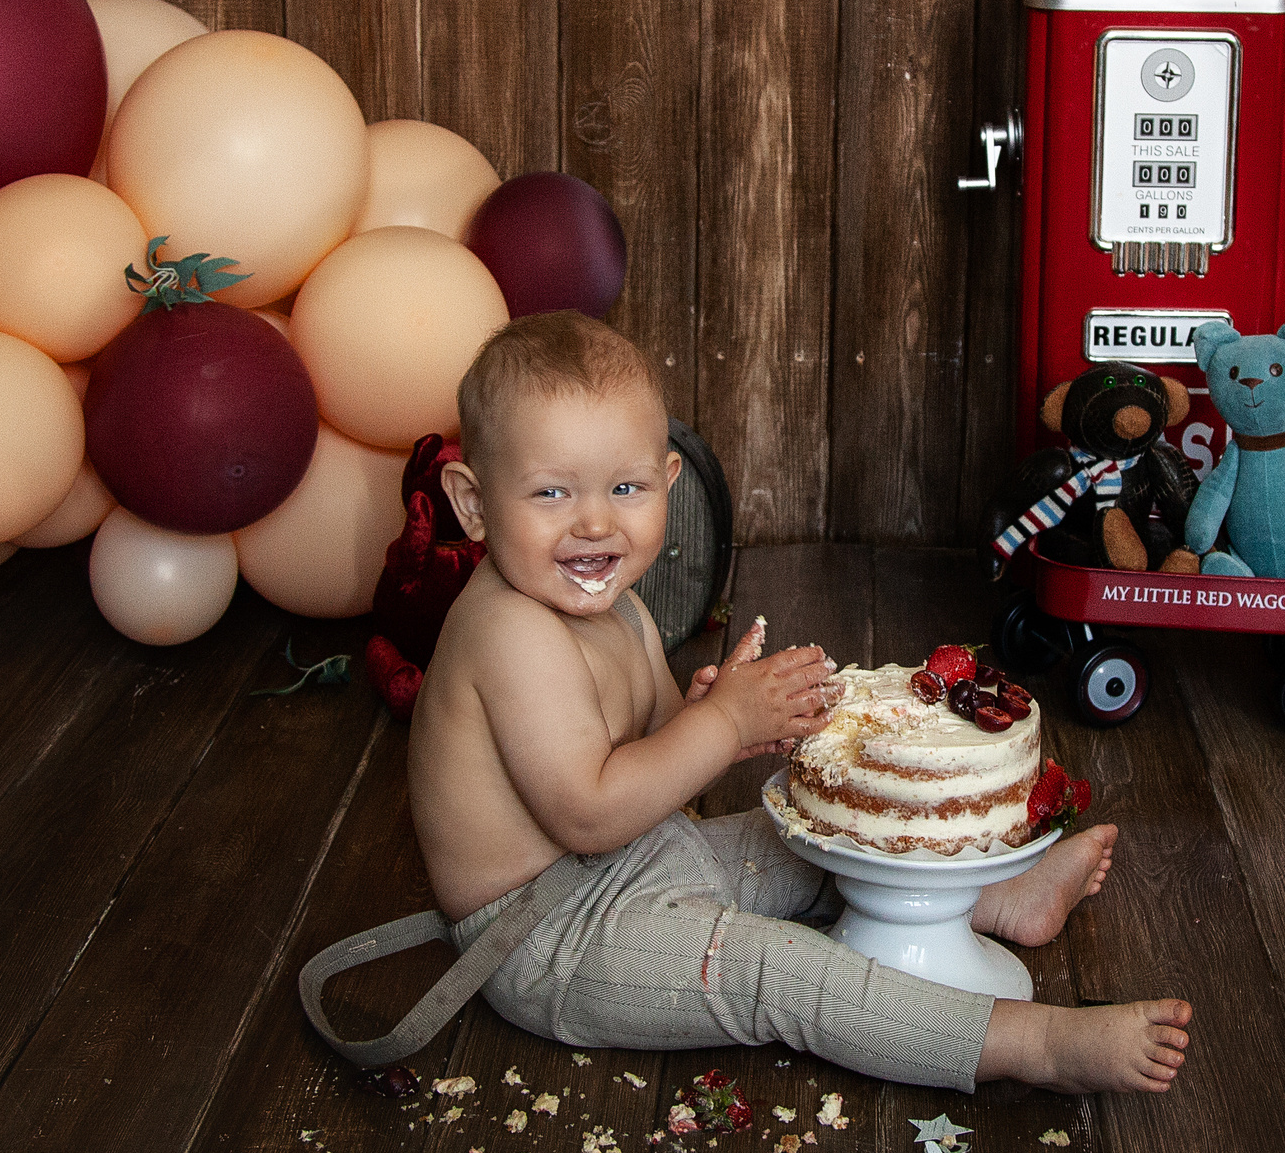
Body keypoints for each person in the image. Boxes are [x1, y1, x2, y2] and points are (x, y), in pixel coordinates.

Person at [399, 308, 1190, 1094]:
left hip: (636, 859)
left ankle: (989, 897)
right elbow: (589, 812)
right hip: (550, 935)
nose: (595, 522)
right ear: (473, 503)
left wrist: (712, 717)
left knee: (810, 842)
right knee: (777, 971)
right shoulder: (509, 630)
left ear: (668, 481)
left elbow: (656, 755)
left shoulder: (613, 602)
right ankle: (1034, 1042)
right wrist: (720, 723)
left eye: (625, 486)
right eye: (550, 492)